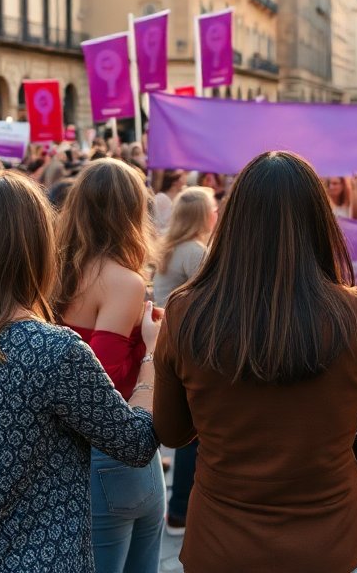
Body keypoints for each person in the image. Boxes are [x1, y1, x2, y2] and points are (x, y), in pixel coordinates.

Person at [153, 152, 357, 573]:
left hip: (222, 546)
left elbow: (173, 432)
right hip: (332, 547)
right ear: (319, 223)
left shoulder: (187, 312)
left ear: (233, 224)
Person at [0, 171, 158, 571]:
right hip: (39, 558)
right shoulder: (54, 350)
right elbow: (136, 443)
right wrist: (152, 357)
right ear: (38, 248)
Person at [55, 159, 165, 573]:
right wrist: (152, 350)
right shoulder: (123, 280)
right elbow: (100, 381)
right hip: (114, 452)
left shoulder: (52, 267)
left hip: (61, 455)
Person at [149, 186, 217, 536]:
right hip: (188, 345)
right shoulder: (195, 252)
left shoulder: (170, 249)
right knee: (193, 435)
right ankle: (179, 511)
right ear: (205, 216)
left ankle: (176, 508)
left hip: (164, 341)